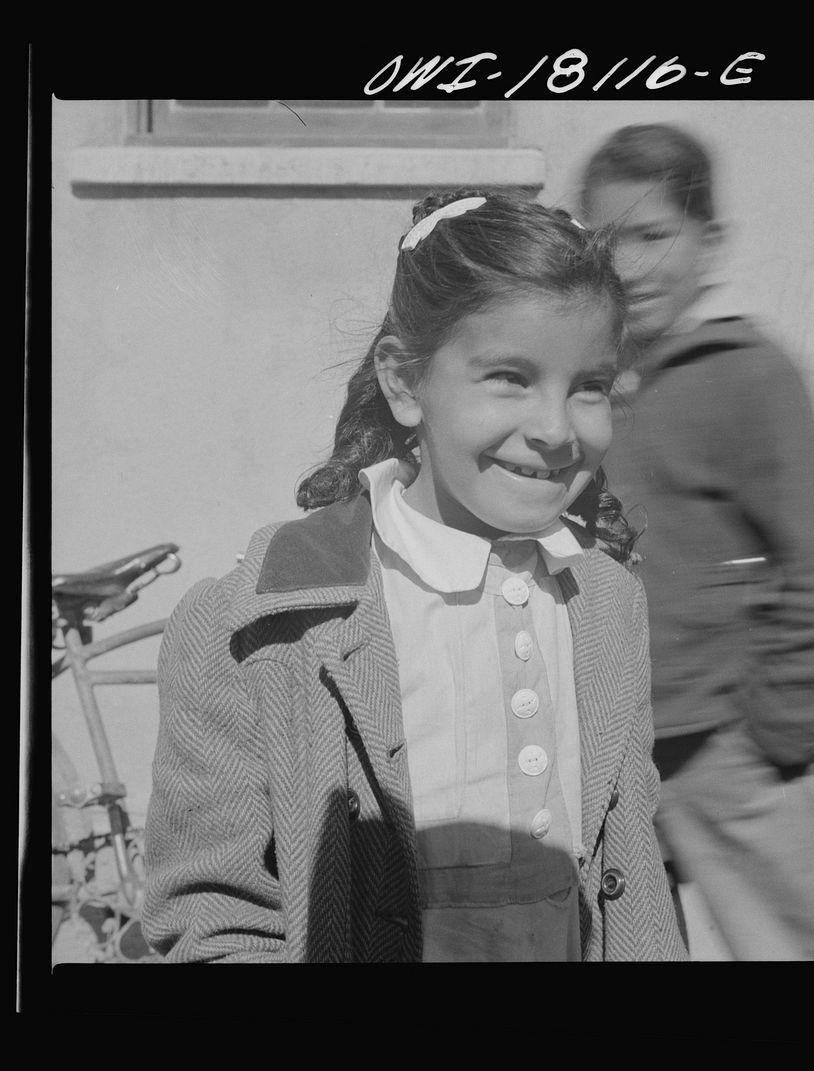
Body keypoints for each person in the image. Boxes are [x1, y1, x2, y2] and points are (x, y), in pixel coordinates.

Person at [142, 188, 687, 963]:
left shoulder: (603, 600)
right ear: (404, 383)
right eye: (508, 376)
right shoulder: (262, 626)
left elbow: (630, 865)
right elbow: (211, 915)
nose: (557, 430)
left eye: (589, 386)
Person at [580, 123, 814, 960]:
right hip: (636, 753)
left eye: (655, 236)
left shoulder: (748, 373)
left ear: (710, 242)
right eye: (607, 239)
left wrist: (779, 731)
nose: (630, 265)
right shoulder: (590, 391)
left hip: (747, 754)